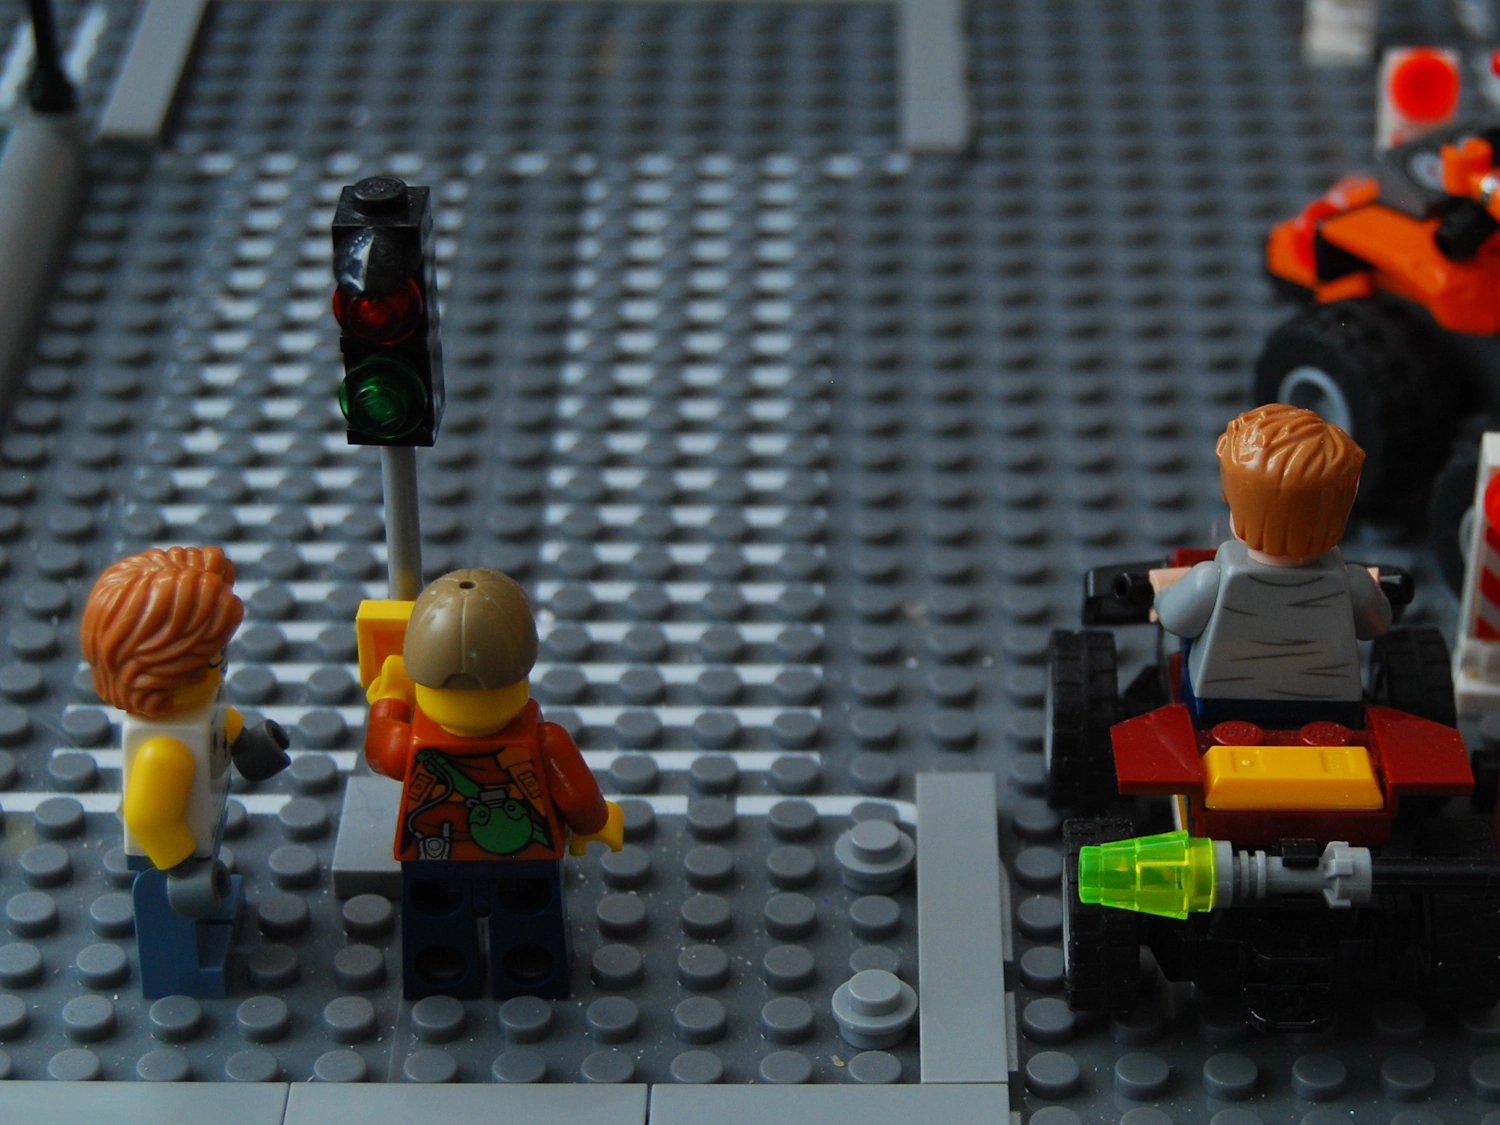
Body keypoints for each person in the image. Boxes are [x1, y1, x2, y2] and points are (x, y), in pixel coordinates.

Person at [364, 567, 623, 999]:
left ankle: (440, 974)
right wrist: (596, 822)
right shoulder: (543, 739)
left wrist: (389, 696)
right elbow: (576, 794)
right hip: (526, 854)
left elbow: (381, 751)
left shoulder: (411, 743)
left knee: (435, 921)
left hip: (433, 852)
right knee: (528, 919)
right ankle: (530, 973)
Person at [81, 546, 289, 997]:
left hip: (198, 829)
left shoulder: (199, 703)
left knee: (205, 893)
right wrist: (182, 869)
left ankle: (211, 921)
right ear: (162, 668)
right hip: (168, 859)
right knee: (169, 920)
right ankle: (184, 974)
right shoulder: (163, 750)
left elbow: (218, 719)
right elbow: (148, 817)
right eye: (211, 657)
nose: (222, 663)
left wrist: (247, 743)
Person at [1154, 403, 1391, 727]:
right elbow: (1377, 625)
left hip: (1217, 707)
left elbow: (1173, 618)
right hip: (1330, 711)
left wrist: (1162, 594)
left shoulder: (1210, 579)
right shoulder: (1353, 584)